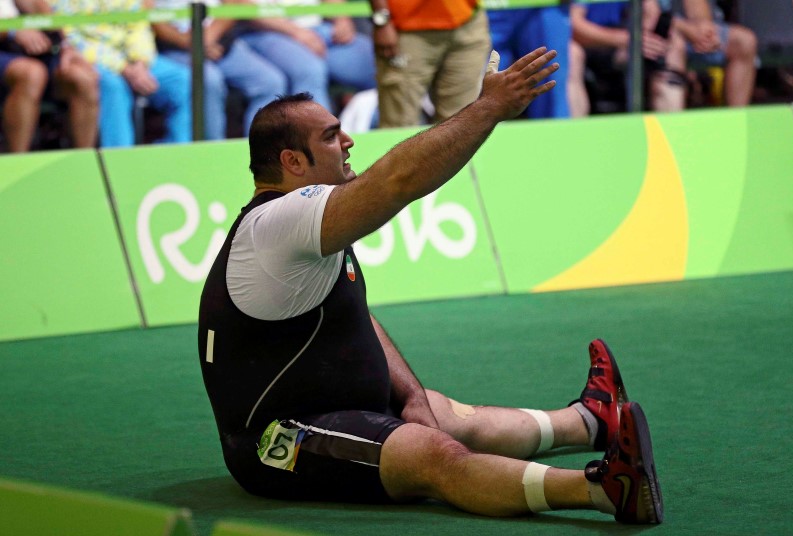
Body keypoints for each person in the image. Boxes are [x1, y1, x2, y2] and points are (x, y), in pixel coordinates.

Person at [197, 47, 663, 524]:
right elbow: (397, 180)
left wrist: (413, 397)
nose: (350, 142)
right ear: (294, 162)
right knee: (433, 453)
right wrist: (490, 107)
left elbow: (353, 318)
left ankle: (589, 421)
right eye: (332, 136)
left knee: (446, 414)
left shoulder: (304, 230)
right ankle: (605, 489)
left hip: (337, 406)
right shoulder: (278, 221)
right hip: (281, 439)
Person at [47, 0, 191, 147]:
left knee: (183, 80)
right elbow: (71, 39)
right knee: (113, 86)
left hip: (134, 60)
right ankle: (119, 161)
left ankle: (180, 156)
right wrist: (122, 67)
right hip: (91, 58)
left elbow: (139, 26)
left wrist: (140, 62)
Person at [152, 0, 285, 140]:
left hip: (219, 41)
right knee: (209, 80)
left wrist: (207, 37)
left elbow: (234, 3)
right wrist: (190, 41)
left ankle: (262, 154)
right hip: (174, 46)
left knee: (270, 82)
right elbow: (148, 14)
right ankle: (210, 154)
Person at [234, 0, 376, 114]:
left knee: (376, 60)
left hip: (320, 28)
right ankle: (320, 143)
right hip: (264, 31)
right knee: (309, 69)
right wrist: (296, 32)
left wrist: (342, 18)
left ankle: (386, 136)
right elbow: (238, 4)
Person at [368, 0, 491, 127]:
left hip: (468, 20)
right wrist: (382, 21)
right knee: (399, 124)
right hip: (406, 27)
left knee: (461, 124)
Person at [1, 0, 98, 151]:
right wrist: (13, 31)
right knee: (32, 74)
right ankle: (17, 165)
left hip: (33, 52)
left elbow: (40, 11)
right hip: (8, 50)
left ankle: (82, 163)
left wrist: (65, 46)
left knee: (83, 77)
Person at [569, 0, 687, 115]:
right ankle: (574, 131)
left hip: (626, 46)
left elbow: (651, 13)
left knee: (674, 46)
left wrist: (646, 39)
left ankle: (670, 129)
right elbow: (574, 25)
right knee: (571, 53)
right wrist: (627, 39)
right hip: (590, 44)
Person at [486, 5, 571, 119]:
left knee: (551, 87)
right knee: (480, 88)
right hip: (488, 8)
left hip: (544, 6)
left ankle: (555, 134)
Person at [665, 0, 757, 106]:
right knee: (674, 44)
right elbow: (653, 15)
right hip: (660, 30)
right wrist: (686, 29)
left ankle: (736, 119)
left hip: (689, 32)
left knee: (744, 41)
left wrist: (705, 29)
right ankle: (672, 120)